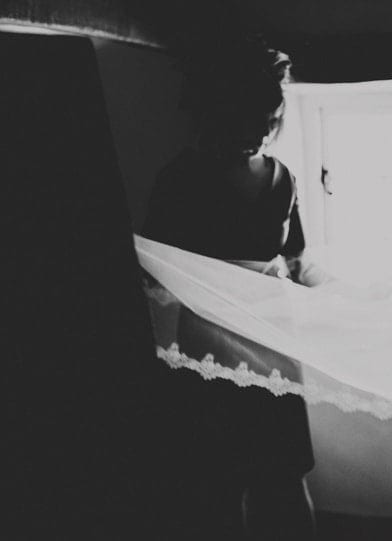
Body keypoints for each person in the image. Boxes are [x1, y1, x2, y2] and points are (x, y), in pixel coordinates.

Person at [142, 38, 324, 539]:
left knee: (285, 474)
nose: (267, 130)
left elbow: (297, 258)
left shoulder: (282, 177)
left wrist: (357, 301)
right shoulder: (180, 179)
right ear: (225, 112)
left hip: (273, 339)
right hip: (210, 344)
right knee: (219, 481)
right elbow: (155, 274)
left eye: (274, 117)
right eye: (257, 117)